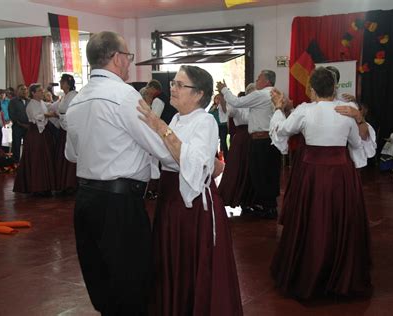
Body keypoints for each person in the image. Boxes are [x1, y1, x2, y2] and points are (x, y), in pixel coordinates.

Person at [65, 31, 175, 315]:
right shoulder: (125, 96)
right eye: (128, 57)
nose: (129, 63)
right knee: (131, 282)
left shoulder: (76, 100)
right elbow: (159, 147)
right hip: (119, 203)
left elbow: (71, 154)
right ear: (116, 58)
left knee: (100, 280)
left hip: (86, 198)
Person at [137, 65, 243, 316]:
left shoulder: (204, 121)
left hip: (193, 202)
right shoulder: (176, 118)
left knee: (192, 259)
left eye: (179, 85)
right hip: (170, 195)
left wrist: (159, 126)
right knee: (172, 259)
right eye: (173, 83)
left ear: (198, 94)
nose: (172, 88)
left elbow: (193, 163)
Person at [269, 67, 372, 300]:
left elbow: (281, 130)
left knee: (311, 220)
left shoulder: (305, 111)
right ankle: (341, 273)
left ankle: (309, 269)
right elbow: (356, 144)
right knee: (340, 220)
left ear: (313, 89)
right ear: (334, 87)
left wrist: (277, 109)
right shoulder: (349, 111)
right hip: (342, 174)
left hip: (312, 173)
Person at [217, 70, 280, 219]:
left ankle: (268, 208)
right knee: (268, 174)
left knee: (260, 174)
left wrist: (224, 89)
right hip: (270, 139)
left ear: (266, 81)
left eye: (259, 78)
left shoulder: (261, 94)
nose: (256, 81)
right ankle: (269, 206)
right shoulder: (275, 93)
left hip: (261, 140)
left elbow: (237, 102)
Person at [13, 84, 57, 195]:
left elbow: (50, 106)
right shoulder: (31, 105)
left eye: (42, 90)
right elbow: (36, 116)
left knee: (45, 158)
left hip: (43, 133)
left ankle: (45, 185)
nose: (42, 92)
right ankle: (37, 186)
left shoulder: (41, 102)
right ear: (33, 93)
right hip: (35, 134)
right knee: (37, 158)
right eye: (40, 91)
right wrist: (48, 115)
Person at [218, 83, 254, 209]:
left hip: (253, 138)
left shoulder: (256, 106)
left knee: (251, 169)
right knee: (237, 167)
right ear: (248, 93)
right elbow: (228, 112)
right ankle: (237, 195)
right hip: (241, 137)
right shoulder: (238, 104)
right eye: (252, 92)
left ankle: (250, 199)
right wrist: (223, 98)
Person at [53, 74, 78, 192]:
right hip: (63, 127)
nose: (61, 84)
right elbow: (58, 109)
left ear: (68, 84)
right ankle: (63, 182)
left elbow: (72, 111)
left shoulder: (73, 95)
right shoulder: (64, 96)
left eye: (62, 82)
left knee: (70, 152)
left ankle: (71, 183)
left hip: (70, 127)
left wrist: (59, 115)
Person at [8, 84, 30, 164]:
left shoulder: (29, 101)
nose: (24, 91)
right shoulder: (13, 101)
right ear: (17, 91)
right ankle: (15, 162)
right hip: (17, 126)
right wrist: (21, 124)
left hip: (28, 127)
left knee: (27, 145)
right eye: (22, 89)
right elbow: (12, 114)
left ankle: (26, 162)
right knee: (16, 145)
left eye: (25, 89)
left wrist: (29, 124)